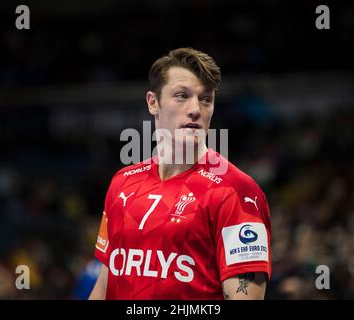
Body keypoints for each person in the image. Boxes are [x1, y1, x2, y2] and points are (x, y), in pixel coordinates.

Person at [89, 48, 271, 300]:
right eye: (182, 96)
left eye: (206, 99)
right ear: (153, 103)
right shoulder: (122, 183)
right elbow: (103, 288)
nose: (196, 109)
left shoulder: (236, 191)